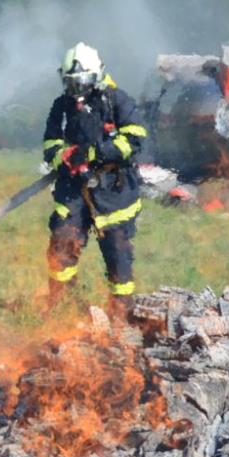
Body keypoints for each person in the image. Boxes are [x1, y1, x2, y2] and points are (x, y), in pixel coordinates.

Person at [42, 42, 148, 320]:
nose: (76, 92)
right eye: (71, 84)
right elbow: (50, 144)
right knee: (63, 240)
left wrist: (95, 153)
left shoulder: (117, 101)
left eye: (81, 84)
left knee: (117, 251)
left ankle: (121, 310)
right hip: (73, 189)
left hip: (113, 189)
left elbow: (134, 140)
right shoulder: (61, 107)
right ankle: (60, 303)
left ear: (96, 76)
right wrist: (63, 158)